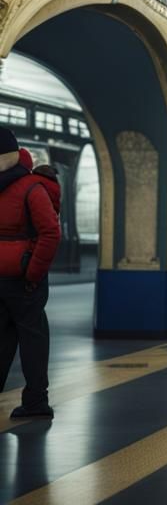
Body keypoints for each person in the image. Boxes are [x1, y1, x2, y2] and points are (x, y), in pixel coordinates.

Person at [0, 128, 61, 419]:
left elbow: (50, 232)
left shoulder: (30, 188)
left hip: (24, 280)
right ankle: (35, 401)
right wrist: (33, 274)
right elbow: (50, 232)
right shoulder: (28, 187)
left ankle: (36, 401)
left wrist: (33, 274)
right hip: (16, 279)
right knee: (25, 339)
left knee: (26, 340)